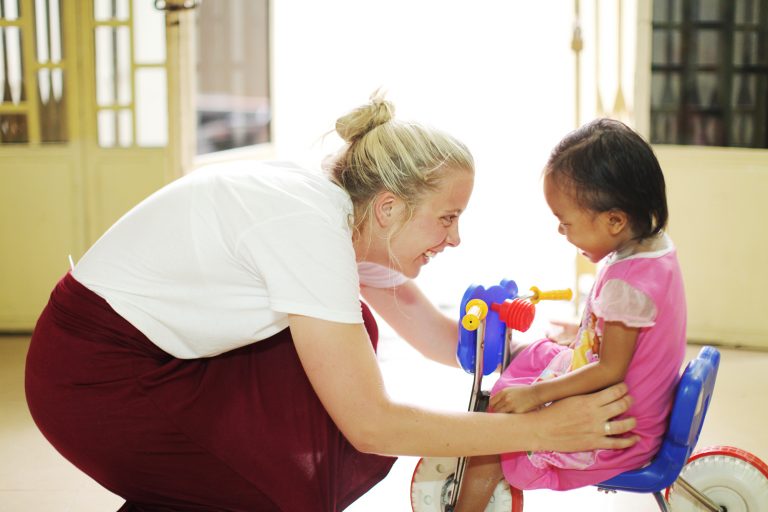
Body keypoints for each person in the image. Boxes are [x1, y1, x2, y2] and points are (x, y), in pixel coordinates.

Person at [25, 93, 637, 512]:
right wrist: (537, 429)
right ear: (389, 207)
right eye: (447, 218)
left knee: (347, 342)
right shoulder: (310, 230)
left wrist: (551, 360)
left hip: (156, 358)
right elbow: (372, 426)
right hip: (92, 377)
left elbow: (436, 334)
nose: (455, 239)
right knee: (267, 482)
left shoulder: (343, 215)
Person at [455, 118, 687, 510]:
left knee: (498, 424)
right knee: (534, 355)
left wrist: (536, 395)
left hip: (618, 429)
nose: (561, 232)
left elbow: (610, 369)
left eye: (566, 223)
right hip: (637, 402)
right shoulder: (652, 248)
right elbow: (633, 334)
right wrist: (586, 330)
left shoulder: (627, 284)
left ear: (615, 220)